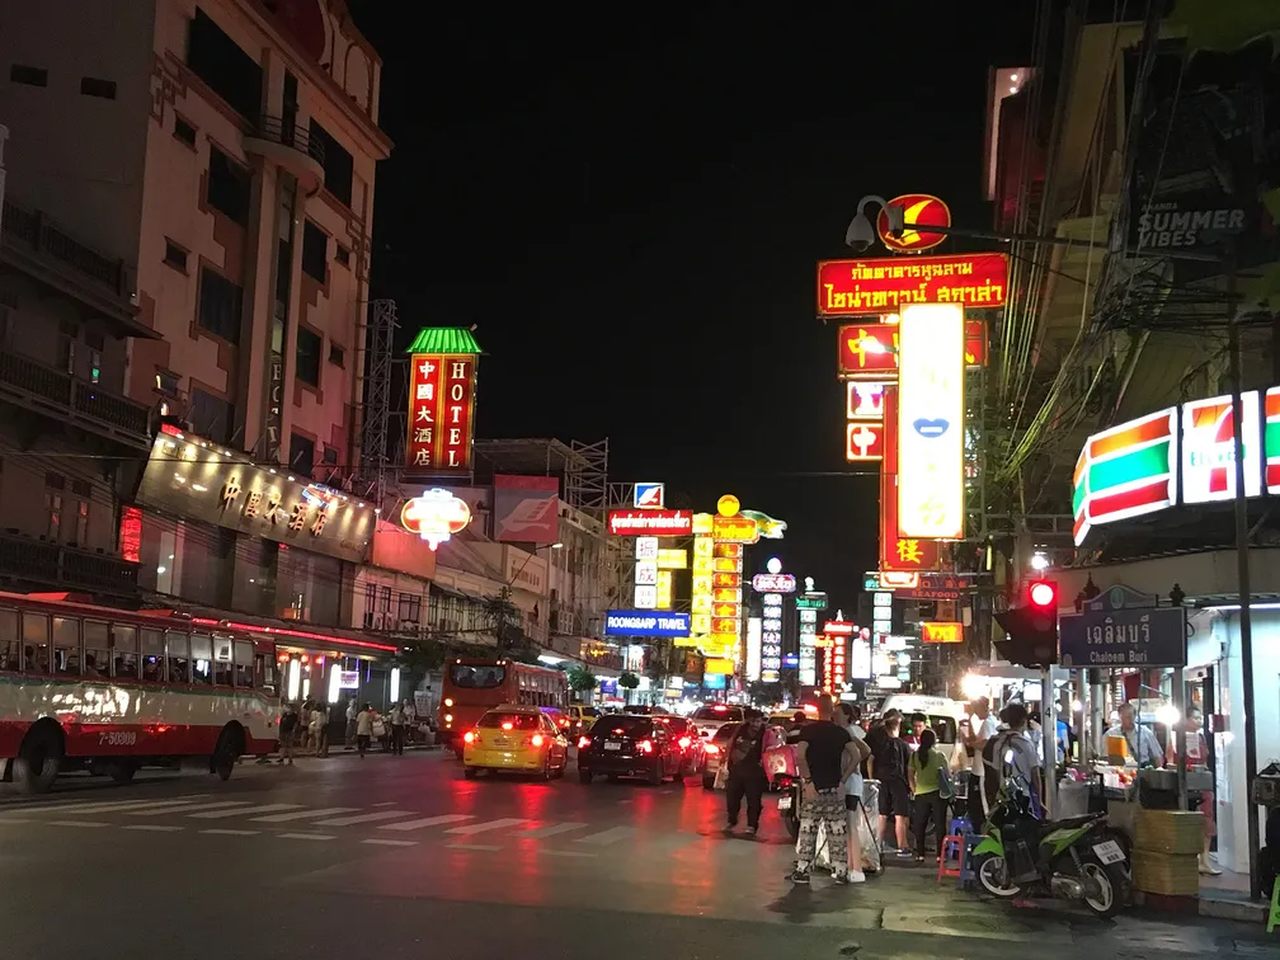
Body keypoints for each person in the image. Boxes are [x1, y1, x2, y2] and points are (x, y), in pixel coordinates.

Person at [792, 694, 861, 885]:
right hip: (835, 790)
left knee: (808, 830)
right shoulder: (840, 733)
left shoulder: (808, 731)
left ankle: (803, 870)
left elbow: (800, 756)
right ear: (832, 710)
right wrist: (842, 780)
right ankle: (840, 871)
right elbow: (856, 756)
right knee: (837, 832)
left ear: (816, 709)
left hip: (814, 789)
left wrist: (808, 781)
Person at [1166, 706, 1220, 875]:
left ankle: (1205, 859)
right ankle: (1193, 859)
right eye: (1195, 718)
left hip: (1203, 782)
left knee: (1207, 819)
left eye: (1200, 718)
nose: (1199, 721)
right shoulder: (1176, 738)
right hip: (1184, 783)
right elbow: (1168, 761)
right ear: (1186, 720)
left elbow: (1206, 757)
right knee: (1188, 820)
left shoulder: (1202, 737)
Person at [983, 703, 1041, 812]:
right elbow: (1035, 775)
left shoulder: (997, 742)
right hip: (1024, 798)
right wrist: (1040, 800)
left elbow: (995, 773)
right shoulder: (1027, 744)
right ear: (1024, 721)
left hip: (1004, 799)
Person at [837, 702, 872, 881]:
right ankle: (848, 866)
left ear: (847, 715)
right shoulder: (840, 731)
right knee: (844, 826)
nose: (835, 715)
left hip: (850, 783)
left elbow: (866, 750)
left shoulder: (853, 731)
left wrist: (853, 764)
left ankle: (856, 868)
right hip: (843, 782)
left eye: (838, 712)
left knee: (851, 826)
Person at [871, 714, 912, 858]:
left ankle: (877, 844)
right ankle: (903, 846)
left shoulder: (879, 745)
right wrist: (911, 786)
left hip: (881, 782)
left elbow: (870, 759)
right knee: (900, 815)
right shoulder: (903, 745)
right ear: (897, 728)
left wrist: (872, 779)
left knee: (882, 814)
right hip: (898, 782)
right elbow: (909, 767)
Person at [724, 708, 769, 836]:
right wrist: (726, 764)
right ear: (749, 720)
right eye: (753, 721)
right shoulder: (741, 730)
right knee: (732, 798)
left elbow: (771, 749)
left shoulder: (766, 734)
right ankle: (731, 821)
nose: (755, 724)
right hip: (737, 770)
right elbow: (730, 745)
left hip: (755, 773)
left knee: (753, 801)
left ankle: (751, 826)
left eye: (758, 721)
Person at [908, 728, 949, 863]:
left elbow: (910, 774)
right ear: (934, 741)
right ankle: (940, 855)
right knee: (940, 825)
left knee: (920, 825)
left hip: (920, 793)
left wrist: (914, 789)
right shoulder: (939, 755)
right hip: (937, 794)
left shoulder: (915, 755)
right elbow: (947, 775)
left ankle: (920, 854)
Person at [964, 697, 999, 826]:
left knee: (980, 804)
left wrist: (970, 743)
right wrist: (969, 719)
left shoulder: (988, 723)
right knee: (976, 803)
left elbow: (984, 744)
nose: (975, 712)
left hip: (981, 771)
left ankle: (985, 828)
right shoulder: (990, 722)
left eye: (976, 709)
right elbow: (977, 738)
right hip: (980, 770)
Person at [1106, 702, 1163, 768]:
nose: (1130, 720)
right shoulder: (1111, 734)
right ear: (1120, 717)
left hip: (1142, 770)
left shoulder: (1146, 732)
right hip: (1120, 770)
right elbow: (1104, 756)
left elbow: (1157, 756)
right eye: (1126, 717)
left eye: (1131, 716)